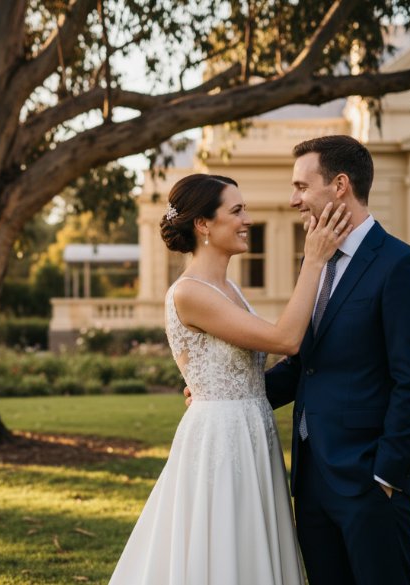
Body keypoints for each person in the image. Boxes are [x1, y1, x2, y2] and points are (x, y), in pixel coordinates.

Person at [108, 173, 352, 585]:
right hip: (221, 439)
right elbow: (285, 339)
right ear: (203, 224)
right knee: (222, 545)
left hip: (252, 428)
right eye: (236, 211)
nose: (247, 220)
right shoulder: (189, 293)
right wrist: (313, 260)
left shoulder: (229, 287)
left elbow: (248, 366)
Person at [261, 135, 410, 584]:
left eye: (302, 186)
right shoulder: (317, 261)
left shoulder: (402, 265)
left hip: (370, 479)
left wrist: (387, 475)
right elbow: (307, 364)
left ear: (339, 185)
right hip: (312, 478)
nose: (293, 199)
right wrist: (225, 393)